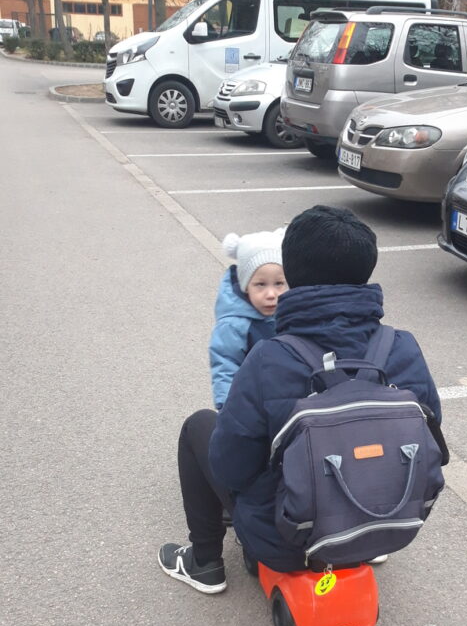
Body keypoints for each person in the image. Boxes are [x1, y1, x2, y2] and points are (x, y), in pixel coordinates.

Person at [158, 205, 443, 594]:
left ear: (291, 272)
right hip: (391, 525)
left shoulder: (270, 357)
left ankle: (204, 562)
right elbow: (433, 441)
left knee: (199, 426)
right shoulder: (401, 346)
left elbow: (230, 469)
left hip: (288, 538)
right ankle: (364, 530)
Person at [209, 228, 286, 409]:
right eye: (260, 284)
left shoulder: (290, 311)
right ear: (245, 286)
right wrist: (229, 409)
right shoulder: (234, 325)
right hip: (251, 405)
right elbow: (225, 367)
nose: (271, 294)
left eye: (279, 283)